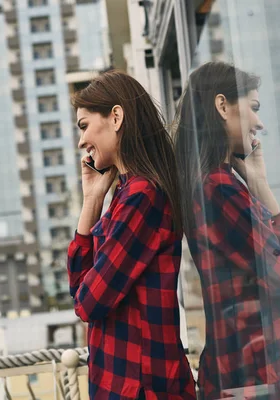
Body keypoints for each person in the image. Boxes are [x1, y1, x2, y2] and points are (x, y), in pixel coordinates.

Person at [173, 62, 280, 399]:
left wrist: (259, 184)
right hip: (258, 376)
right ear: (222, 106)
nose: (260, 123)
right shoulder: (218, 190)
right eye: (254, 108)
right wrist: (263, 194)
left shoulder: (216, 185)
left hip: (247, 373)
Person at [67, 70, 196, 399]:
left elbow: (87, 302)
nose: (81, 141)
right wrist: (93, 200)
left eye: (84, 125)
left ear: (116, 117)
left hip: (140, 387)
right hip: (128, 384)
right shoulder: (125, 195)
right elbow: (81, 287)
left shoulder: (141, 196)